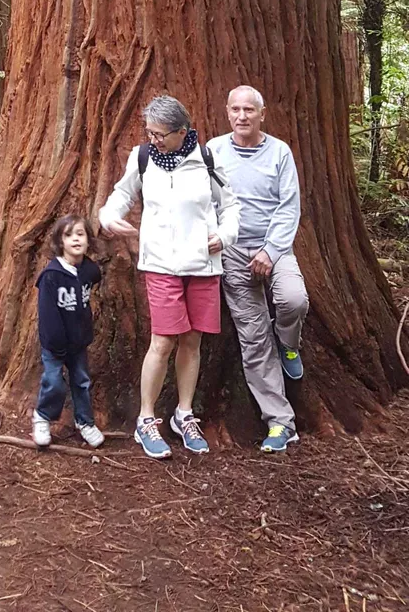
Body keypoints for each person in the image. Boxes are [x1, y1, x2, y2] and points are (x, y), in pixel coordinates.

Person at [99, 95, 240, 459]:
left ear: (183, 132)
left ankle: (184, 414)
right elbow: (122, 193)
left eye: (161, 134)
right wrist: (108, 215)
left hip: (203, 265)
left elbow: (231, 207)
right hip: (161, 263)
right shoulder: (143, 157)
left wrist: (224, 237)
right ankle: (146, 420)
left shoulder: (207, 159)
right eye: (150, 133)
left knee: (192, 341)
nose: (154, 140)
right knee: (162, 342)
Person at [208, 85, 310, 454]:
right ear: (227, 112)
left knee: (293, 300)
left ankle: (289, 343)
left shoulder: (279, 152)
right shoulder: (215, 151)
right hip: (232, 251)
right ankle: (280, 423)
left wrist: (270, 249)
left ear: (262, 114)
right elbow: (205, 200)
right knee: (253, 338)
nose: (242, 116)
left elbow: (289, 207)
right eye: (235, 109)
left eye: (249, 109)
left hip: (276, 247)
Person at [32, 214, 105, 450]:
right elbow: (48, 315)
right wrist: (55, 344)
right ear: (60, 242)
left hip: (79, 343)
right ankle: (43, 417)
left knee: (82, 382)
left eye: (80, 234)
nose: (76, 239)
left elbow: (96, 275)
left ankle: (85, 422)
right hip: (54, 345)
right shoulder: (51, 276)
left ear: (88, 241)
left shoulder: (87, 270)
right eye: (69, 235)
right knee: (54, 382)